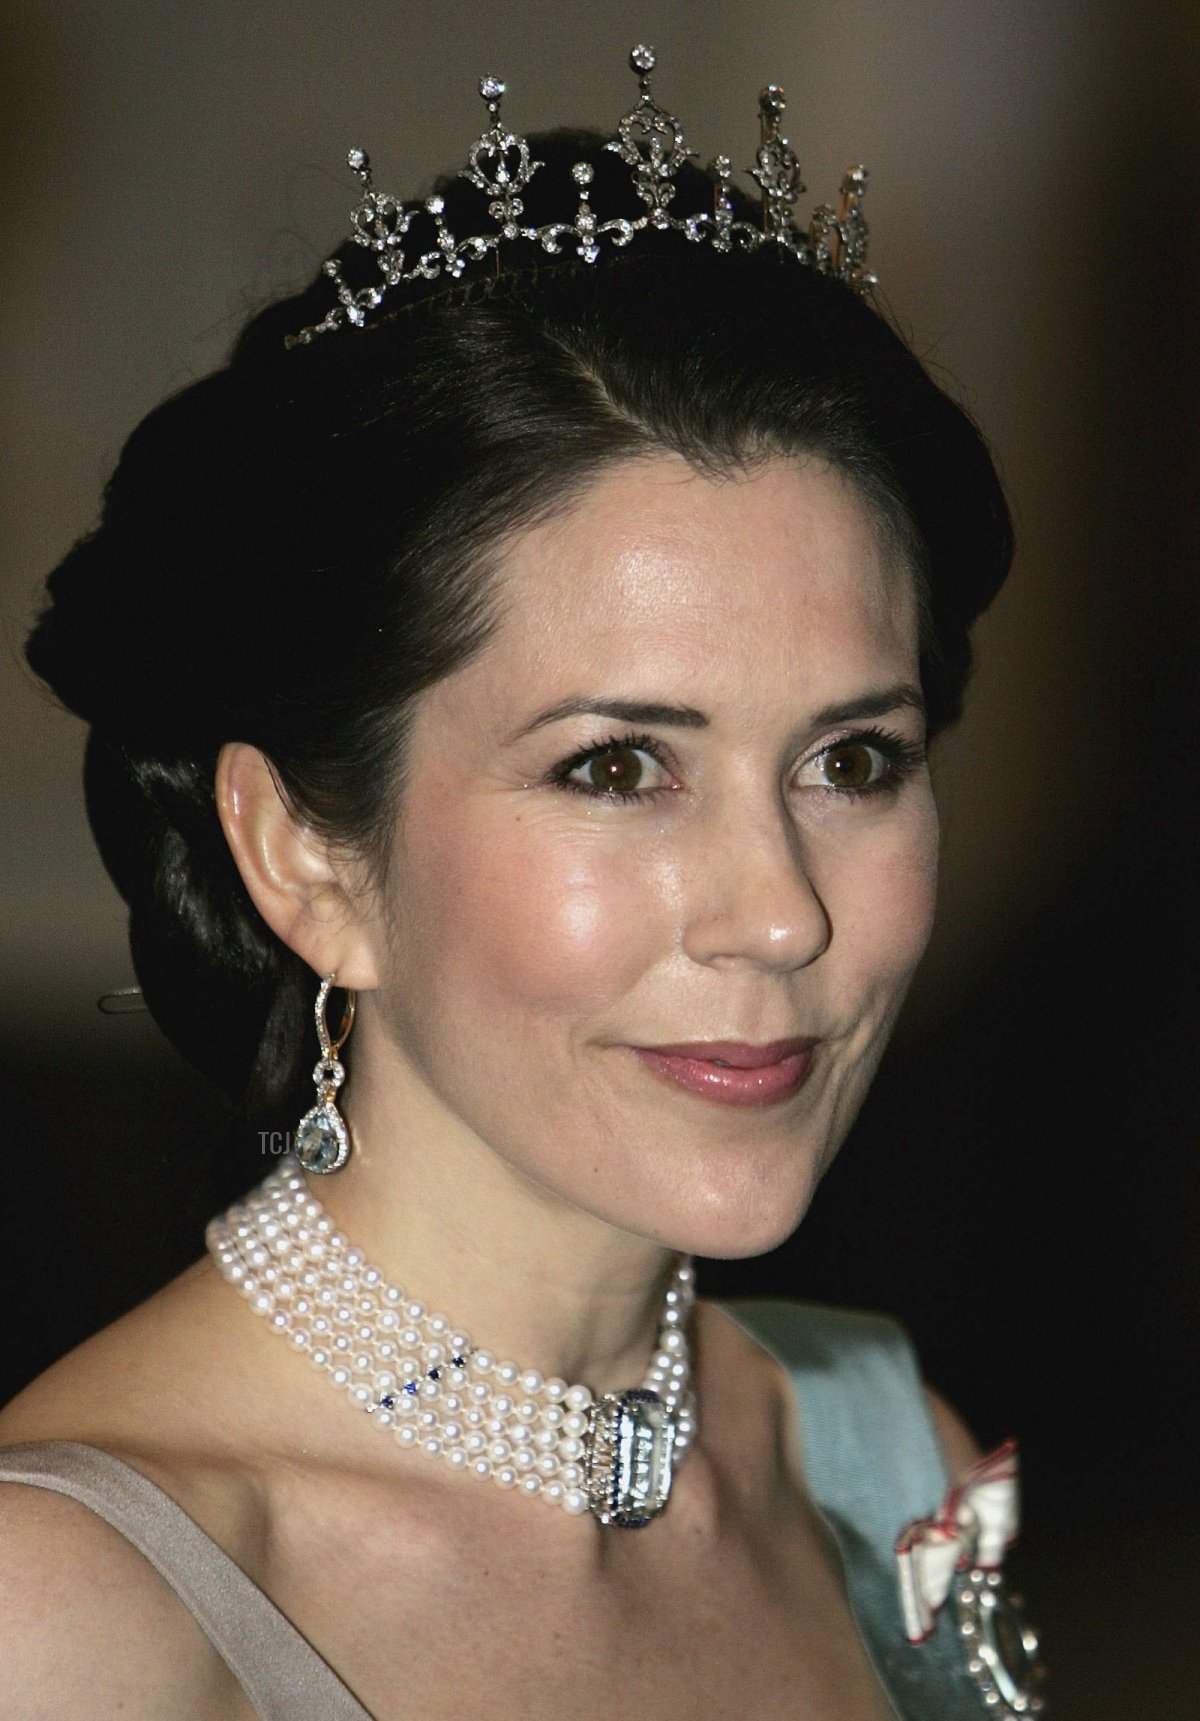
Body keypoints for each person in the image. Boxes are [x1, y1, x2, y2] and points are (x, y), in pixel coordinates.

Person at [0, 50, 1043, 1721]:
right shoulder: (68, 1609)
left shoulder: (877, 1454)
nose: (781, 915)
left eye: (853, 761)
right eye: (618, 766)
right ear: (307, 856)